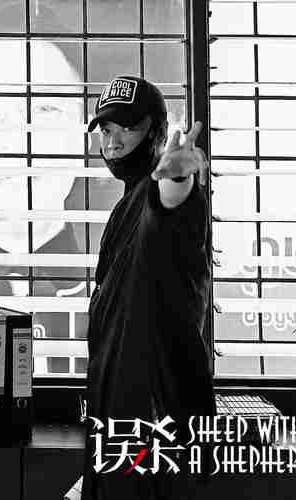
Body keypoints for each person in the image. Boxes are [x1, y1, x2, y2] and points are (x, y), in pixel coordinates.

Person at [82, 76, 215, 499]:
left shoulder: (159, 196)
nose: (114, 142)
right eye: (106, 129)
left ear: (156, 132)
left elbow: (170, 207)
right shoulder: (126, 203)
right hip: (118, 422)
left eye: (127, 127)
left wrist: (176, 179)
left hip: (155, 424)